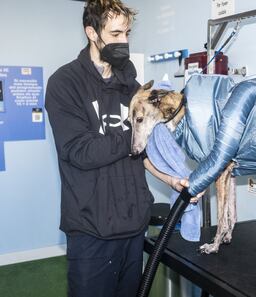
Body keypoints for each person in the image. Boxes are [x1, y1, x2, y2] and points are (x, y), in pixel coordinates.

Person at [45, 1, 200, 296]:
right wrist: (135, 130)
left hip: (133, 225)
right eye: (116, 34)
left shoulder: (133, 88)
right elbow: (80, 151)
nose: (124, 42)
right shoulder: (65, 83)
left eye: (127, 33)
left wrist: (171, 180)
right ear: (92, 32)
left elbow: (141, 152)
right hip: (91, 230)